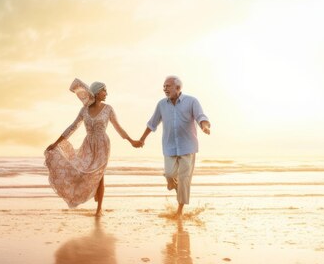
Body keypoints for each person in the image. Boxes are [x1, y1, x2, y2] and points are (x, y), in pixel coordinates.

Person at [45, 78, 136, 216]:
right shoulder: (84, 110)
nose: (106, 93)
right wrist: (56, 143)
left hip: (102, 145)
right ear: (98, 92)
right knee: (83, 171)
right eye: (104, 90)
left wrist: (130, 140)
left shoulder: (108, 109)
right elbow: (73, 126)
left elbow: (118, 127)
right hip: (88, 144)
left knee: (100, 174)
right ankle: (94, 191)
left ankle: (99, 209)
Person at [132, 76, 210, 217]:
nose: (165, 89)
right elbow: (152, 123)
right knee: (169, 174)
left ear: (178, 88)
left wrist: (205, 127)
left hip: (188, 146)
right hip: (169, 147)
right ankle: (175, 185)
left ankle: (179, 211)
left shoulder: (192, 101)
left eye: (168, 86)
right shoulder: (162, 104)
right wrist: (142, 139)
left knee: (184, 179)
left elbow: (201, 117)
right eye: (164, 86)